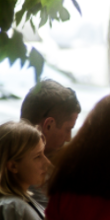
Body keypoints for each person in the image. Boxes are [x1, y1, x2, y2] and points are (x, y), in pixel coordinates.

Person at [20, 79, 82, 207]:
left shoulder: (9, 161)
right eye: (68, 129)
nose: (69, 138)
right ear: (48, 126)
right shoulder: (32, 176)